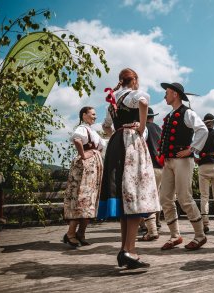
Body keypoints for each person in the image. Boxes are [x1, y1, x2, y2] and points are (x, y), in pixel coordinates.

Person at [98, 68, 160, 269]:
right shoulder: (134, 95)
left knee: (126, 199)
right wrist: (141, 127)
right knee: (135, 194)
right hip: (131, 143)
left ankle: (125, 249)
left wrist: (117, 132)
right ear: (135, 80)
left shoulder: (112, 100)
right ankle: (129, 250)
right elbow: (143, 102)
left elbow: (106, 126)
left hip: (116, 142)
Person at [157, 82, 209, 250]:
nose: (164, 96)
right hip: (169, 161)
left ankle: (200, 235)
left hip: (183, 161)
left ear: (175, 94)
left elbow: (203, 130)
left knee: (184, 198)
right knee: (165, 198)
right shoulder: (170, 115)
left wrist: (191, 150)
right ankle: (175, 236)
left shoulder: (187, 113)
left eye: (167, 92)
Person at [63, 106, 105, 247]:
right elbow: (77, 139)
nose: (95, 116)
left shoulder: (92, 130)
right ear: (84, 115)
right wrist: (83, 155)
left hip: (94, 169)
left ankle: (80, 233)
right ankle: (70, 233)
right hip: (86, 168)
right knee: (82, 198)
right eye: (92, 114)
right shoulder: (82, 128)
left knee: (90, 200)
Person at [195, 113, 214, 233]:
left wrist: (194, 158)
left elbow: (192, 148)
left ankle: (205, 223)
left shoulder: (201, 134)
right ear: (213, 122)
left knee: (204, 196)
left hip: (203, 165)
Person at [139, 107, 163, 241]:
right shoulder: (159, 129)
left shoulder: (143, 129)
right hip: (161, 166)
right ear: (153, 117)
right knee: (157, 195)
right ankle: (157, 221)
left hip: (149, 166)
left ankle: (147, 225)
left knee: (146, 196)